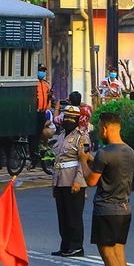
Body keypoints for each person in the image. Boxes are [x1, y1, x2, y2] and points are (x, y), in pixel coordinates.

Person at [82, 112, 134, 266]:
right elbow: (109, 166)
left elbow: (91, 181)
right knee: (119, 251)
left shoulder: (105, 153)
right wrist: (91, 159)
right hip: (125, 208)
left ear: (105, 128)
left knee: (107, 252)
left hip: (106, 209)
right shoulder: (129, 151)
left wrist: (82, 161)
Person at [50, 106, 89, 257]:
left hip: (74, 181)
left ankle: (77, 246)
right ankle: (65, 245)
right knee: (63, 216)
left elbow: (83, 161)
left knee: (74, 216)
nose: (68, 120)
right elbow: (57, 161)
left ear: (77, 120)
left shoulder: (82, 137)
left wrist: (78, 180)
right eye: (66, 117)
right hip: (60, 181)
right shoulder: (61, 136)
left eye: (72, 118)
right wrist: (54, 184)